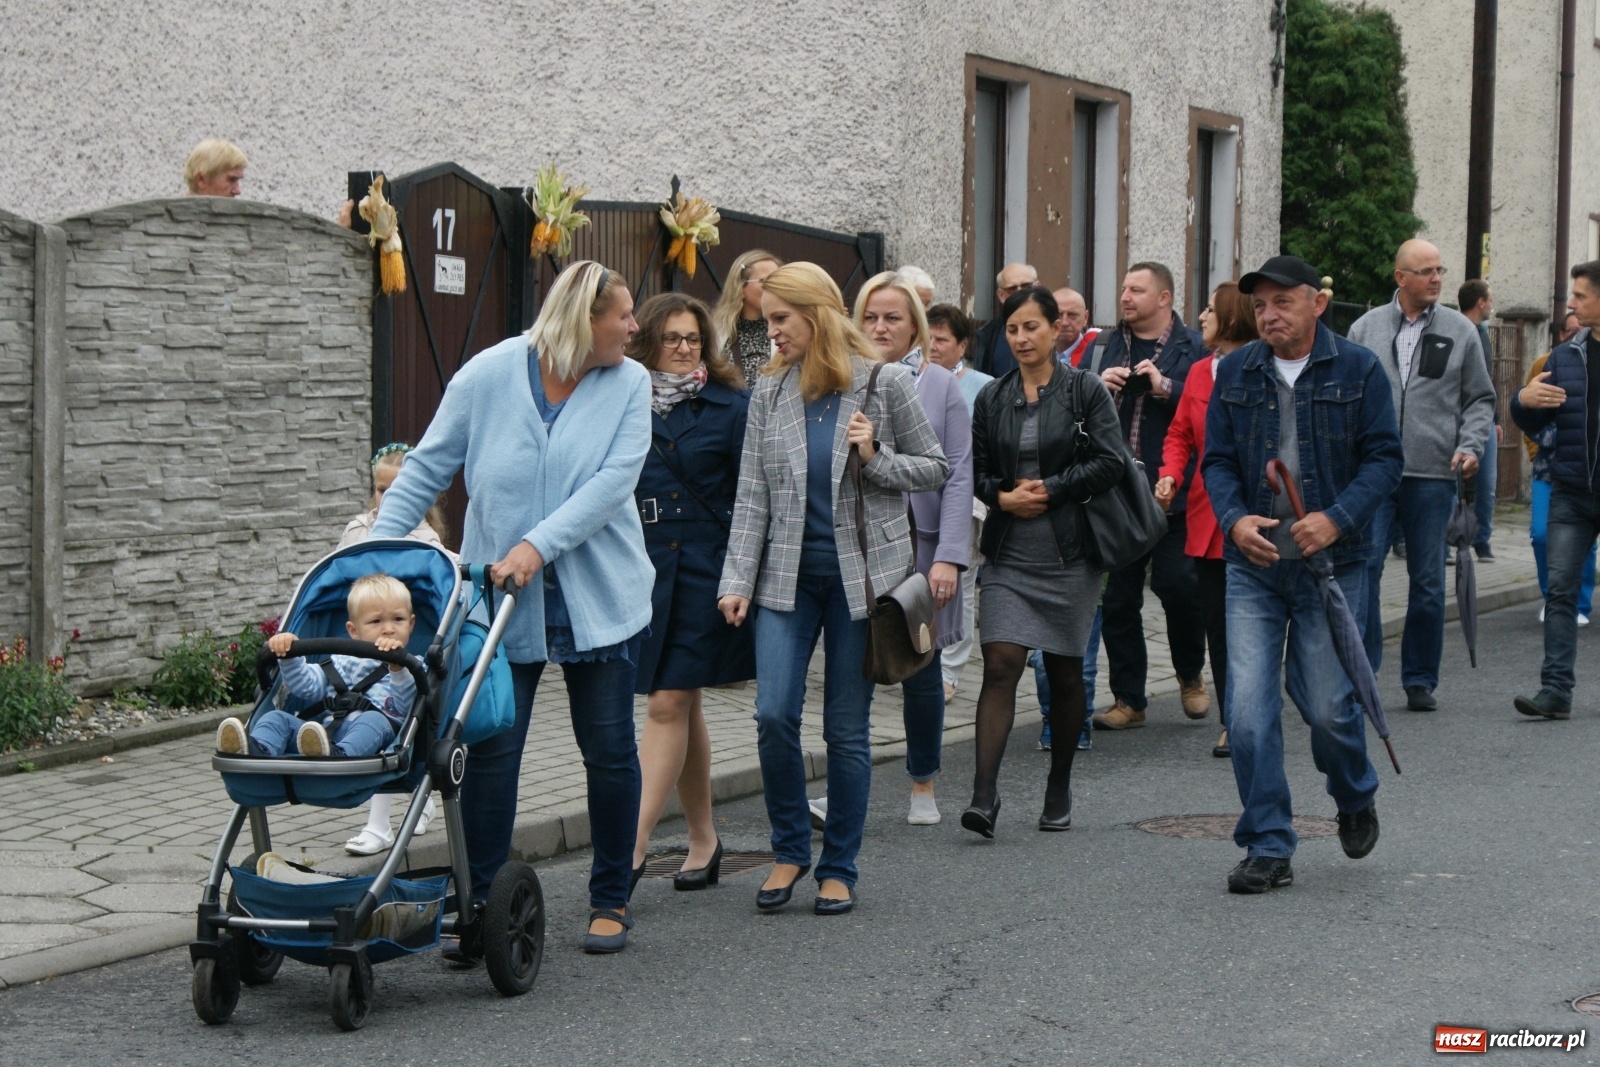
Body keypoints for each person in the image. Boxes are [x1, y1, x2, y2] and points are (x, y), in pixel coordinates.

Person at [374, 259, 653, 955]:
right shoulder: (489, 375)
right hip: (498, 599)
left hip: (596, 595)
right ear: (584, 320)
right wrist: (372, 553)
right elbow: (426, 469)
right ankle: (480, 907)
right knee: (489, 750)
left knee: (609, 747)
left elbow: (612, 485)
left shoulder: (630, 384)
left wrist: (537, 544)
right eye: (622, 314)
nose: (634, 326)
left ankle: (611, 896)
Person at [718, 262, 947, 915]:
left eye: (780, 320)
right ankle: (791, 847)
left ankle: (839, 863)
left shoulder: (883, 382)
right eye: (767, 320)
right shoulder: (770, 390)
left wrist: (875, 456)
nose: (771, 333)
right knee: (771, 715)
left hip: (861, 583)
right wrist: (736, 579)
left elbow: (934, 467)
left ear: (815, 315)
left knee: (846, 729)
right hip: (784, 580)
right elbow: (751, 497)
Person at [1201, 254, 1403, 894]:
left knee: (1326, 709)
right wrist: (1233, 520)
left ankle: (1353, 790)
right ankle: (1268, 842)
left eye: (1283, 302)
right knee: (1248, 712)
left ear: (1317, 303)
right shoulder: (1233, 371)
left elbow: (1384, 461)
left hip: (1333, 566)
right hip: (1254, 567)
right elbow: (1218, 463)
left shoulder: (1361, 369)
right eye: (1260, 304)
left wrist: (1336, 519)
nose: (1269, 314)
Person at [961, 286, 1124, 838]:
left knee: (1063, 671)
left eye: (1032, 327)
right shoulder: (992, 397)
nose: (1021, 338)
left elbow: (1110, 462)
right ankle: (984, 795)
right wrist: (1002, 497)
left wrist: (1051, 490)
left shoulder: (1085, 391)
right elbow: (976, 470)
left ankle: (1058, 783)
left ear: (1057, 330)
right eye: (1012, 329)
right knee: (1001, 662)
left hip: (1070, 551)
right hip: (1009, 552)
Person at [625, 293, 754, 890]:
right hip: (643, 571)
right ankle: (704, 839)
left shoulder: (732, 406)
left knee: (666, 702)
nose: (683, 348)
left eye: (693, 339)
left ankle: (633, 843)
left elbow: (752, 499)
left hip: (709, 569)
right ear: (647, 340)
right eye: (672, 338)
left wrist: (745, 575)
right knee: (683, 704)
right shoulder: (619, 399)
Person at [847, 271, 973, 826]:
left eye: (893, 317)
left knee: (921, 670)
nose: (880, 327)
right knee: (854, 671)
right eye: (871, 316)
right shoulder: (839, 377)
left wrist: (949, 555)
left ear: (916, 325)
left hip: (920, 553)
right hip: (857, 549)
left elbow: (958, 476)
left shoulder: (940, 384)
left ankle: (923, 782)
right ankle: (849, 788)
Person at [1348, 240, 1496, 711]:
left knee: (1428, 580)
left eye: (1439, 269)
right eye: (1425, 271)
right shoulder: (1364, 328)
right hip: (1372, 472)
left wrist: (1470, 446)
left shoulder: (1460, 330)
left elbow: (1480, 399)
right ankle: (1363, 673)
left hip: (1433, 474)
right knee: (1364, 572)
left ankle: (1419, 679)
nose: (1435, 278)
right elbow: (1344, 395)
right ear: (1400, 278)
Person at [1091, 261, 1209, 730]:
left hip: (1172, 492)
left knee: (1180, 587)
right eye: (1123, 288)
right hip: (1118, 492)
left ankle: (1190, 674)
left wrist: (1166, 387)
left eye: (1136, 290)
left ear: (1164, 298)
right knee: (1118, 599)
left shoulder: (1194, 347)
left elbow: (1207, 407)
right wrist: (1097, 385)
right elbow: (1077, 397)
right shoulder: (1103, 343)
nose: (1125, 296)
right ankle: (1129, 698)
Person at [1155, 281, 1259, 759]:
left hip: (1259, 516)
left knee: (1256, 623)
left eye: (1210, 309)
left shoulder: (1265, 369)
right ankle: (1232, 720)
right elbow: (1180, 434)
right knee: (1218, 623)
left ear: (1232, 317)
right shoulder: (1199, 372)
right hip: (1205, 517)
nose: (1201, 316)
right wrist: (1170, 475)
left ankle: (1261, 706)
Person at [337, 442, 447, 856]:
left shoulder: (426, 541)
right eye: (380, 490)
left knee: (388, 722)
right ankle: (423, 800)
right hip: (361, 647)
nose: (386, 500)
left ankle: (378, 825)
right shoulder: (357, 529)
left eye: (396, 491)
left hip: (404, 648)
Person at [1508, 260, 1600, 720]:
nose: (1570, 303)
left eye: (1580, 295)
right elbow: (1534, 418)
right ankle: (1556, 692)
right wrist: (1521, 403)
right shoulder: (1565, 356)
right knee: (1561, 591)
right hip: (1571, 492)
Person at [215, 574, 418, 758]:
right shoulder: (339, 661)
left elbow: (409, 706)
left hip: (376, 740)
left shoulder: (413, 666)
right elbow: (306, 687)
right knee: (277, 718)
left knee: (373, 720)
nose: (389, 629)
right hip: (321, 739)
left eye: (398, 619)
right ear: (353, 630)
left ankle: (341, 755)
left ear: (411, 624)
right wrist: (289, 655)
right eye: (376, 621)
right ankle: (256, 749)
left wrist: (398, 668)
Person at [926, 303, 992, 701]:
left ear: (962, 344)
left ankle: (950, 670)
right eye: (928, 338)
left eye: (942, 340)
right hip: (917, 496)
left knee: (959, 583)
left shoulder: (982, 386)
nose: (933, 347)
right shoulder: (911, 377)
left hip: (963, 497)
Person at [1523, 310, 1596, 625]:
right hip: (1548, 469)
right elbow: (1528, 410)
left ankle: (1578, 603)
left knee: (1583, 539)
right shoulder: (1547, 363)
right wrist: (1535, 449)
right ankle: (1553, 596)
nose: (1578, 333)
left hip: (1581, 471)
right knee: (1541, 535)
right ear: (1563, 333)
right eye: (1572, 329)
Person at [1458, 278, 1501, 561]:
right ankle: (1450, 539)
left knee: (1487, 484)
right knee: (1451, 484)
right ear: (1480, 302)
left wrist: (1495, 418)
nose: (1492, 305)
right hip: (1457, 419)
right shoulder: (1456, 330)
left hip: (1484, 419)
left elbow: (1486, 383)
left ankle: (1482, 539)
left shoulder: (1483, 333)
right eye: (1490, 299)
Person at [712, 249, 784, 387]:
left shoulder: (787, 331)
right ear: (740, 287)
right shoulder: (715, 332)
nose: (775, 287)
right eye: (766, 281)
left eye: (778, 280)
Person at [971, 262, 1039, 378]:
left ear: (1037, 288)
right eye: (1012, 288)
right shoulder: (988, 334)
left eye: (1026, 286)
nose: (1020, 292)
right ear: (1001, 295)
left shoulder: (1053, 327)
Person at [1052, 287, 1101, 367]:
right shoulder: (1036, 355)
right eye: (1058, 315)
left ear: (1085, 318)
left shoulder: (1098, 355)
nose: (1064, 323)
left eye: (1072, 315)